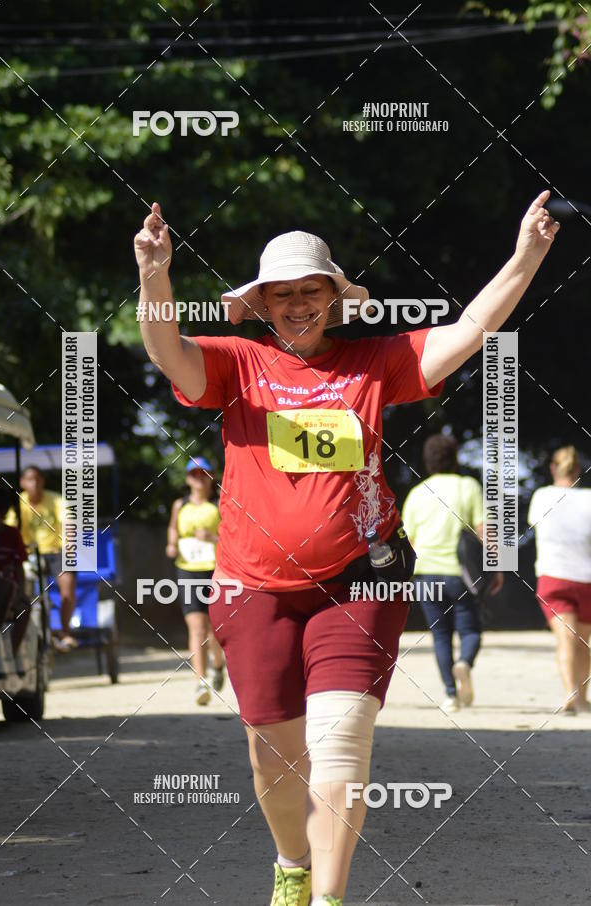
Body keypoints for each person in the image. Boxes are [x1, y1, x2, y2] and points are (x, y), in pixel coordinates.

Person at [135, 191, 558, 906]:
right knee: (274, 758)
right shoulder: (237, 363)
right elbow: (167, 352)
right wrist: (154, 276)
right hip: (250, 585)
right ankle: (292, 865)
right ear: (263, 303)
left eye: (311, 290)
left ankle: (327, 898)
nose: (298, 304)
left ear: (334, 298)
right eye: (283, 294)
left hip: (359, 581)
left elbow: (470, 330)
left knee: (338, 748)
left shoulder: (374, 363)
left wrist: (525, 258)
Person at [402, 434, 502, 713]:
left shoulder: (417, 493)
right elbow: (484, 530)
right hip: (462, 575)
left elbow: (408, 541)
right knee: (470, 629)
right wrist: (496, 567)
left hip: (425, 575)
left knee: (440, 635)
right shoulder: (468, 486)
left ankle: (450, 695)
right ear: (455, 458)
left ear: (428, 461)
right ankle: (465, 663)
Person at [528, 446, 591, 715]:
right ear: (578, 470)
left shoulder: (541, 496)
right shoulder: (589, 498)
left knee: (566, 640)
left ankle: (570, 693)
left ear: (554, 468)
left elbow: (535, 525)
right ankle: (583, 698)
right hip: (586, 579)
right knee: (583, 643)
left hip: (554, 578)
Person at [166, 456, 226, 706]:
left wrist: (213, 538)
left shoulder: (220, 503)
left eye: (203, 473)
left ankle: (218, 664)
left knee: (213, 628)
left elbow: (232, 535)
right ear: (188, 478)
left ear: (211, 476)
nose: (198, 478)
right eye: (193, 474)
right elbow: (173, 529)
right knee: (196, 628)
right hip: (187, 569)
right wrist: (171, 544)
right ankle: (200, 682)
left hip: (215, 570)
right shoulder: (179, 505)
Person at [6, 465, 77, 651]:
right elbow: (10, 527)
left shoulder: (56, 499)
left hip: (56, 552)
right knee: (23, 591)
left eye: (38, 479)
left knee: (68, 589)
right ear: (22, 482)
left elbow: (68, 521)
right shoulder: (18, 503)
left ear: (43, 481)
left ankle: (65, 632)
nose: (34, 484)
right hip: (28, 555)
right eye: (30, 479)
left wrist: (69, 544)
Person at [0, 486, 30, 653]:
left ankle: (11, 654)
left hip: (7, 591)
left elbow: (19, 568)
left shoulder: (12, 535)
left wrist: (20, 592)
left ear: (2, 512)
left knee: (24, 607)